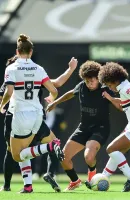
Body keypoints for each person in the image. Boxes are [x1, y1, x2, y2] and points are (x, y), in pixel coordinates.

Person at [0, 55, 77, 193]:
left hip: (16, 117)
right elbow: (57, 84)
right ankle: (39, 179)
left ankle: (8, 185)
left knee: (15, 153)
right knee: (43, 146)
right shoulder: (35, 74)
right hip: (36, 117)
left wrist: (1, 104)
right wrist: (71, 69)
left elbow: (4, 95)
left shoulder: (11, 77)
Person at [84, 62, 130, 192]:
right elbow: (122, 105)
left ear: (113, 80)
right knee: (118, 153)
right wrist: (110, 98)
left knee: (111, 149)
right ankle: (102, 178)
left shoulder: (126, 88)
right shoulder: (124, 88)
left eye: (108, 84)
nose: (109, 87)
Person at [46, 61, 121, 190]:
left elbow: (120, 104)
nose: (90, 83)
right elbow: (70, 93)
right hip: (83, 128)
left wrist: (115, 98)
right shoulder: (81, 87)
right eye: (87, 80)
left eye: (93, 80)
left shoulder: (105, 89)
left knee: (89, 156)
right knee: (63, 158)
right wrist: (55, 102)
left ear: (98, 78)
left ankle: (92, 176)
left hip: (100, 128)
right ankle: (75, 181)